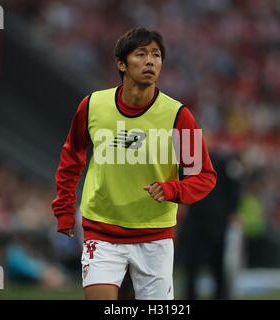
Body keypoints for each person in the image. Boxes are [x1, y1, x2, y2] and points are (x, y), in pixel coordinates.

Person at [52, 28, 216, 300]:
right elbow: (71, 159)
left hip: (155, 236)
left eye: (157, 55)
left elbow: (204, 175)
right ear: (121, 63)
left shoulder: (178, 116)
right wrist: (64, 210)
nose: (150, 61)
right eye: (141, 54)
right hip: (101, 230)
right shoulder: (92, 106)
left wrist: (174, 189)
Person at [178, 136, 242, 300]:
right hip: (197, 220)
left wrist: (232, 211)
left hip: (216, 221)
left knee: (217, 263)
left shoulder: (222, 161)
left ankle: (220, 294)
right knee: (192, 264)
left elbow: (234, 188)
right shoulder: (189, 163)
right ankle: (192, 295)